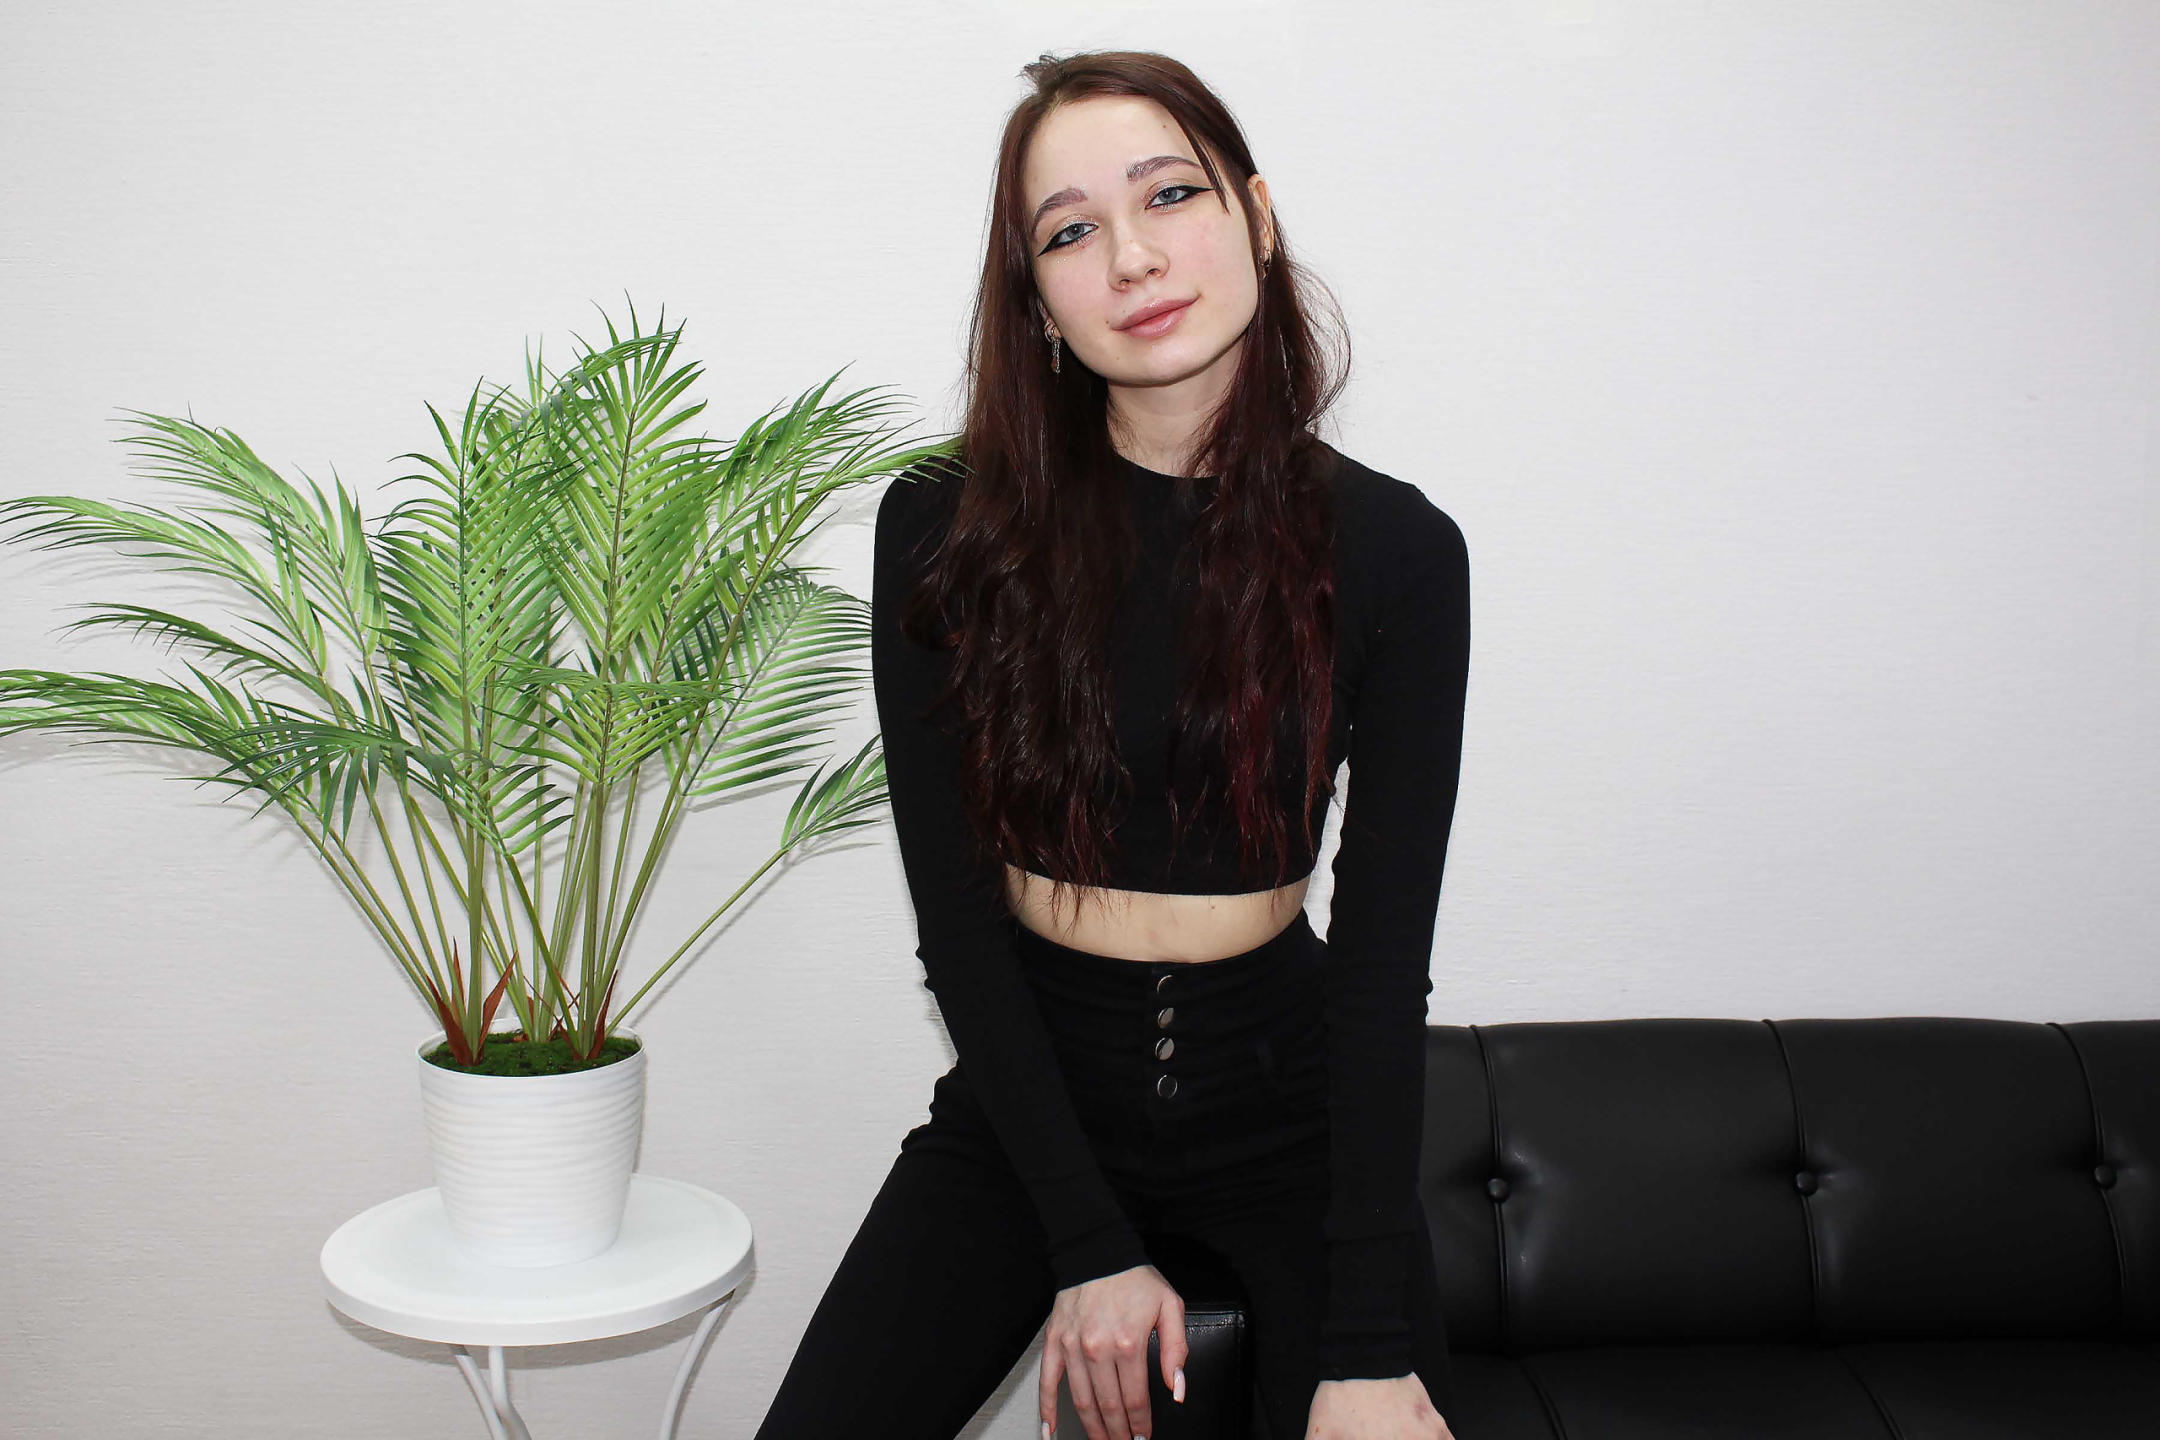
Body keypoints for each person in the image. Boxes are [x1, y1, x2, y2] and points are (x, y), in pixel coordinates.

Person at [754, 49, 1470, 1440]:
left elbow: (1385, 966)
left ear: (1257, 216)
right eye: (1071, 231)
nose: (1133, 257)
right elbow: (957, 918)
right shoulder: (947, 529)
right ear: (1036, 298)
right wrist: (1086, 1244)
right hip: (1031, 1101)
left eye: (1170, 196)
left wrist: (1371, 1344)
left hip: (1289, 1111)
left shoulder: (1396, 549)